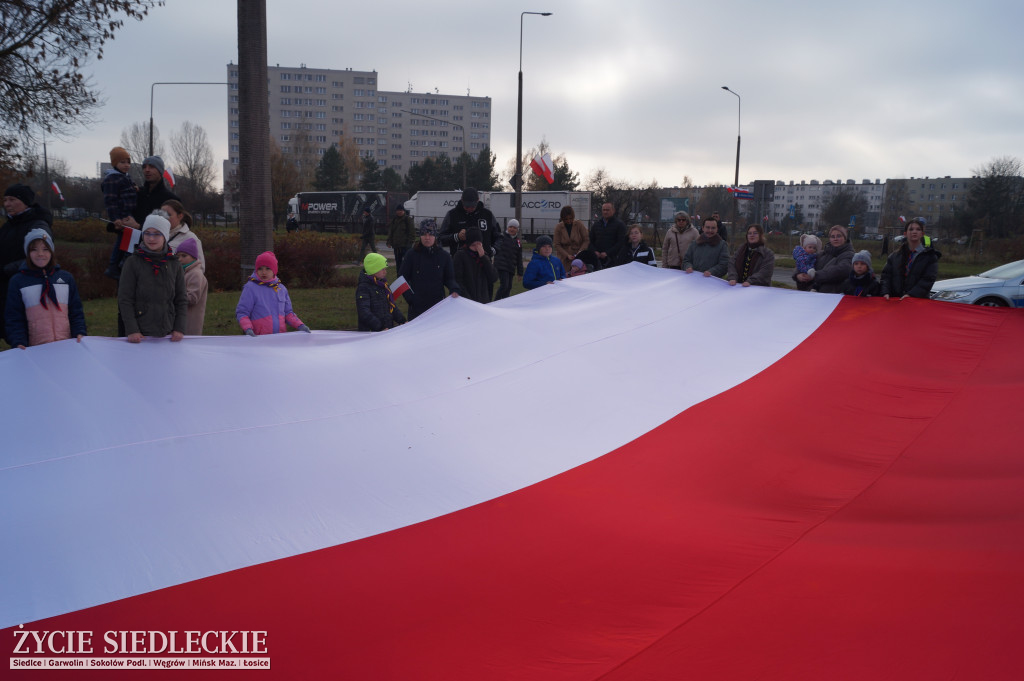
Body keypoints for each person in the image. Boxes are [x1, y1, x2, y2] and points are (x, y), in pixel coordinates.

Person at [4, 228, 86, 348]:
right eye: (34, 249)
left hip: (67, 345)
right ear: (27, 253)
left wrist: (79, 332)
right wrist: (18, 341)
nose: (40, 254)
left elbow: (76, 311)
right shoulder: (18, 281)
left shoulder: (66, 278)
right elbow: (14, 317)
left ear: (52, 251)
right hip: (35, 348)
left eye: (45, 249)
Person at [117, 213, 187, 343]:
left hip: (168, 332)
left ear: (165, 236)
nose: (151, 238)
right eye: (147, 233)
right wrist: (132, 329)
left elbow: (181, 299)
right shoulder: (133, 262)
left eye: (156, 234)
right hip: (140, 333)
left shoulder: (174, 263)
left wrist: (179, 327)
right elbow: (125, 299)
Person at [2, 184, 55, 343]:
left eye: (12, 199)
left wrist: (5, 270)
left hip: (28, 289)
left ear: (25, 202)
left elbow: (40, 257)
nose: (7, 204)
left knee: (28, 340)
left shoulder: (37, 225)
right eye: (5, 200)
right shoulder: (8, 225)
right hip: (8, 289)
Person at [398, 219, 461, 320]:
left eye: (430, 235)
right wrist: (410, 299)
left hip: (438, 307)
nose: (427, 238)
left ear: (435, 236)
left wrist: (454, 289)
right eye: (424, 234)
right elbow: (400, 279)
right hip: (416, 309)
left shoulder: (444, 256)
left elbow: (450, 278)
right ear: (420, 236)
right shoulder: (411, 255)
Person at [236, 251, 311, 336]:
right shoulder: (250, 288)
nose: (263, 272)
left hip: (279, 337)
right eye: (260, 268)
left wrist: (300, 325)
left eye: (268, 268)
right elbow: (242, 312)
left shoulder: (281, 289)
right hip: (258, 337)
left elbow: (288, 313)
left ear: (274, 270)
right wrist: (248, 328)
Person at [101, 146, 138, 279]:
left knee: (129, 240)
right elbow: (110, 201)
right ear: (115, 163)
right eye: (122, 162)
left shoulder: (125, 178)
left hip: (130, 214)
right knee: (123, 240)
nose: (126, 165)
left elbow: (130, 190)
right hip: (122, 215)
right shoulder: (112, 179)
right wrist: (115, 218)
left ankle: (122, 263)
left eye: (128, 162)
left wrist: (136, 189)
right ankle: (113, 266)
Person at [881, 218, 941, 300]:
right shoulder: (894, 256)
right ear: (905, 233)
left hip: (917, 303)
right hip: (896, 303)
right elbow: (886, 277)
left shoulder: (930, 257)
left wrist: (911, 295)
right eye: (911, 229)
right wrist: (885, 292)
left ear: (922, 233)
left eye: (918, 229)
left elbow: (927, 280)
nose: (914, 232)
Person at [123, 156, 179, 230]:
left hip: (155, 240)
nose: (147, 170)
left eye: (152, 167)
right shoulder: (137, 193)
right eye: (144, 167)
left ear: (160, 171)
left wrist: (138, 227)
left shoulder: (171, 199)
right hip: (130, 239)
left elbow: (172, 228)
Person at [356, 253, 405, 332]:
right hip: (372, 332)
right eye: (382, 269)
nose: (385, 272)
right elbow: (364, 312)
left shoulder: (384, 285)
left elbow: (391, 306)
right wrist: (379, 327)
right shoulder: (364, 288)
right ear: (373, 269)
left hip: (386, 330)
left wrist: (402, 320)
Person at [798, 225, 853, 293]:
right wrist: (799, 275)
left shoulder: (849, 255)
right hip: (813, 295)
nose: (835, 239)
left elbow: (841, 270)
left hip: (833, 296)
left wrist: (815, 275)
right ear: (829, 239)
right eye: (832, 236)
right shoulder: (822, 254)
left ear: (845, 238)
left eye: (839, 236)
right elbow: (805, 262)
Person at [453, 227, 498, 304]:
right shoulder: (460, 255)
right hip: (467, 301)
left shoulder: (484, 256)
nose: (477, 248)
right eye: (474, 245)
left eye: (479, 244)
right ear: (468, 244)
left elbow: (493, 278)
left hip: (483, 301)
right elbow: (458, 280)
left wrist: (484, 257)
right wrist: (468, 300)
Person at [161, 200, 205, 271]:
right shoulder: (155, 236)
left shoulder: (191, 238)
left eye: (168, 215)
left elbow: (200, 268)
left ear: (180, 216)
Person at [176, 238, 208, 335]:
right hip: (182, 320)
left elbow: (193, 298)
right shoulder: (184, 272)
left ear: (194, 257)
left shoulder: (195, 274)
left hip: (190, 322)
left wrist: (173, 296)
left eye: (184, 256)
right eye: (178, 256)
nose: (180, 259)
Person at [493, 219, 524, 300]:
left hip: (511, 267)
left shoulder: (518, 242)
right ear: (507, 227)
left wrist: (520, 272)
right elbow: (496, 248)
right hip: (501, 266)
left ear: (517, 230)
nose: (512, 229)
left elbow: (519, 258)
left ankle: (505, 302)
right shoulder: (501, 237)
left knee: (509, 287)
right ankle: (496, 301)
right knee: (504, 285)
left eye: (514, 227)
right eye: (510, 227)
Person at [589, 202, 626, 269]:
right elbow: (590, 241)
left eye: (607, 210)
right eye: (604, 210)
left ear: (613, 211)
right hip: (597, 261)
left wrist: (607, 253)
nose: (605, 212)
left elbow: (621, 243)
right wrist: (594, 251)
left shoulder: (620, 225)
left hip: (613, 261)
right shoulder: (596, 225)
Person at [553, 205, 589, 273]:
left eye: (571, 218)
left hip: (578, 257)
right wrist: (567, 255)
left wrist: (580, 252)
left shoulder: (579, 224)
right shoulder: (558, 227)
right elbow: (556, 244)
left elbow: (586, 240)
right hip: (564, 258)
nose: (569, 221)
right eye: (566, 219)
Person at [386, 204, 416, 272]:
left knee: (406, 264)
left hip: (405, 247)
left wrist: (409, 244)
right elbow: (391, 232)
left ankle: (407, 279)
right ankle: (399, 279)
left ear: (403, 211)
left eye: (401, 210)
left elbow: (412, 233)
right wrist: (389, 241)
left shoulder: (407, 219)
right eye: (398, 210)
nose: (399, 212)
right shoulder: (394, 220)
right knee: (398, 264)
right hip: (396, 247)